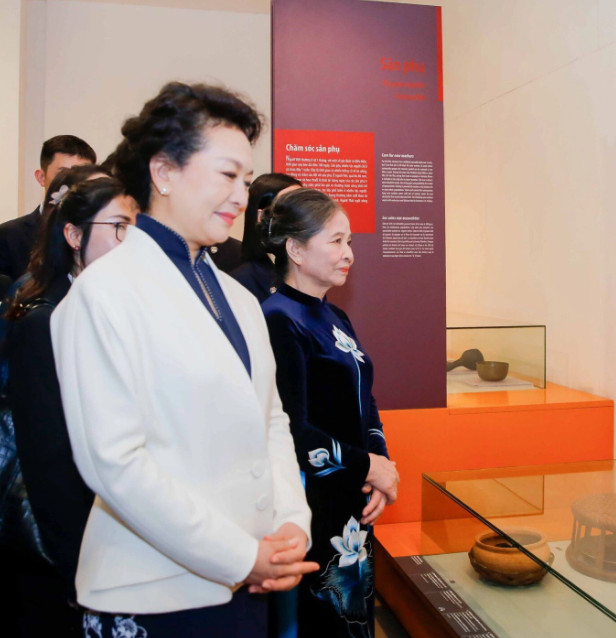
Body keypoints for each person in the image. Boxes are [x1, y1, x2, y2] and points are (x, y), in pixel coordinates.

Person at [50, 82, 316, 637]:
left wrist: (292, 523)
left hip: (251, 580)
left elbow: (270, 420)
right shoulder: (104, 293)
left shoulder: (240, 298)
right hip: (155, 592)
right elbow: (115, 463)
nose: (242, 196)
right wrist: (239, 555)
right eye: (226, 175)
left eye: (246, 180)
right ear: (164, 172)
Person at [261, 188, 399, 638]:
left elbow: (366, 398)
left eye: (350, 241)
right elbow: (291, 430)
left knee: (354, 618)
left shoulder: (335, 315)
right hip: (314, 504)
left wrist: (380, 465)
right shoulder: (279, 319)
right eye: (336, 242)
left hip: (353, 499)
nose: (349, 255)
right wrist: (369, 466)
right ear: (296, 250)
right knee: (324, 623)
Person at [6, 176, 137, 636]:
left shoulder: (129, 313)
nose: (130, 241)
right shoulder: (45, 321)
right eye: (118, 226)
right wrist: (78, 563)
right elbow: (49, 462)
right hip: (73, 546)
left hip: (131, 532)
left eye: (136, 228)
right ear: (74, 235)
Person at [0, 135, 96, 281]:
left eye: (81, 175)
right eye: (62, 172)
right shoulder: (9, 236)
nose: (72, 182)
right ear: (41, 177)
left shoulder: (101, 232)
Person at [231, 173, 302, 303]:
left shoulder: (307, 273)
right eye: (290, 206)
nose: (301, 214)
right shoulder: (241, 281)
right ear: (262, 217)